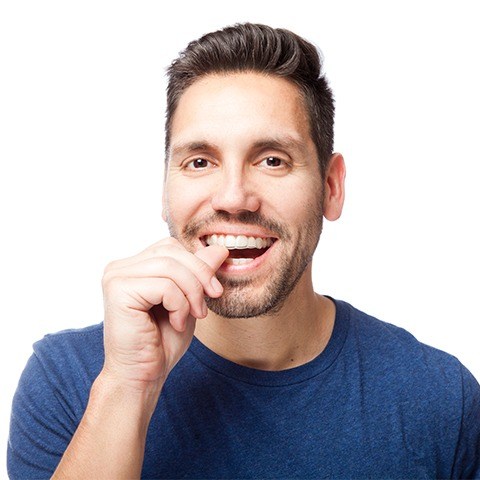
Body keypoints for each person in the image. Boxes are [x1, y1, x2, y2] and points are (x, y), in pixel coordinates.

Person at [7, 22, 480, 479]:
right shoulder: (68, 381)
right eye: (199, 161)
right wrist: (128, 388)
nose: (233, 197)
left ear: (331, 188)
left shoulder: (441, 398)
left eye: (272, 160)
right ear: (165, 188)